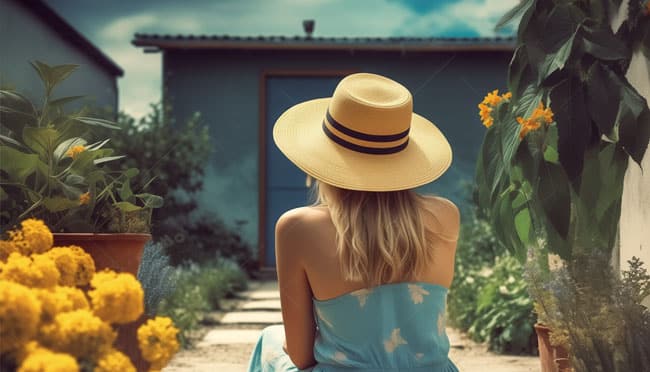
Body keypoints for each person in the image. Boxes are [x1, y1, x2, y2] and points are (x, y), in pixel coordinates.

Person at [247, 73, 460, 372]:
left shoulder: (297, 228)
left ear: (322, 156)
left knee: (269, 340)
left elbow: (301, 356)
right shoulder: (445, 215)